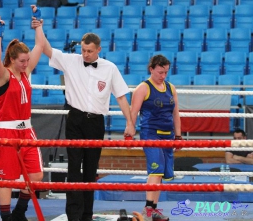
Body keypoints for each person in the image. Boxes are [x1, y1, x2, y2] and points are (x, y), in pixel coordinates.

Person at [32, 18, 135, 221]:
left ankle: (87, 215)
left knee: (90, 171)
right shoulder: (72, 61)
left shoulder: (110, 68)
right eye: (83, 50)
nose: (85, 54)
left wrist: (130, 123)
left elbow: (121, 97)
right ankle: (74, 216)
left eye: (89, 51)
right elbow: (46, 48)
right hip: (75, 120)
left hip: (96, 123)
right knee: (73, 169)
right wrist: (39, 27)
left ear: (98, 49)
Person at [0, 5, 45, 221]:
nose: (26, 63)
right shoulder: (4, 76)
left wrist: (38, 24)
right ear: (12, 60)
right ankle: (7, 219)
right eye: (22, 61)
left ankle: (19, 212)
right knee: (8, 179)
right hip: (6, 133)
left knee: (36, 176)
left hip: (27, 130)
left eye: (27, 60)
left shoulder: (26, 73)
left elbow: (40, 44)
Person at [130, 55, 182, 221]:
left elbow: (175, 113)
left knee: (161, 174)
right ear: (151, 69)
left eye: (166, 72)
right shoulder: (142, 88)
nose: (163, 76)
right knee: (156, 169)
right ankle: (148, 209)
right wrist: (129, 131)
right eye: (160, 72)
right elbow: (133, 113)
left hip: (168, 135)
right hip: (150, 134)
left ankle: (153, 210)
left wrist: (179, 135)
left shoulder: (170, 88)